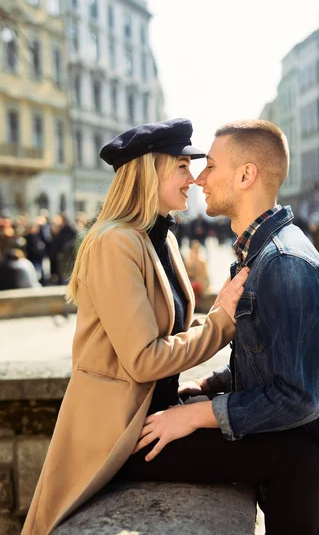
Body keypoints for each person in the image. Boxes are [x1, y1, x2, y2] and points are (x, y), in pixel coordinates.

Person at [134, 120, 319, 535]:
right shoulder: (261, 251)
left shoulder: (283, 262)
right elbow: (270, 358)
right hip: (305, 467)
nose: (199, 178)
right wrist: (213, 385)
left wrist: (199, 416)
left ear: (247, 175)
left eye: (211, 166)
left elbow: (299, 396)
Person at [21, 118, 250, 535]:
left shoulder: (161, 237)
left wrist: (215, 315)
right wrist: (222, 323)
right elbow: (144, 360)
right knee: (286, 455)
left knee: (286, 447)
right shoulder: (116, 242)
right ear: (151, 171)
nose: (193, 179)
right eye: (182, 166)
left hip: (154, 415)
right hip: (121, 435)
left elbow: (170, 329)